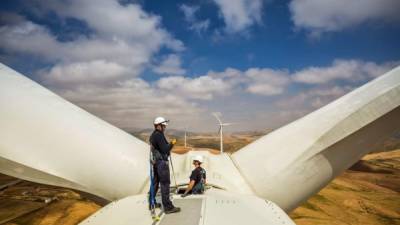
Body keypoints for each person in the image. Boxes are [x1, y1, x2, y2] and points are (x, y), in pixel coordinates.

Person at [149, 116, 181, 214]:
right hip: (162, 163)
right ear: (158, 125)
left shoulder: (154, 135)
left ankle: (152, 203)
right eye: (163, 125)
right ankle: (168, 207)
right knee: (165, 184)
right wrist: (172, 143)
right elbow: (165, 149)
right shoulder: (158, 135)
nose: (165, 127)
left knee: (155, 183)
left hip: (156, 163)